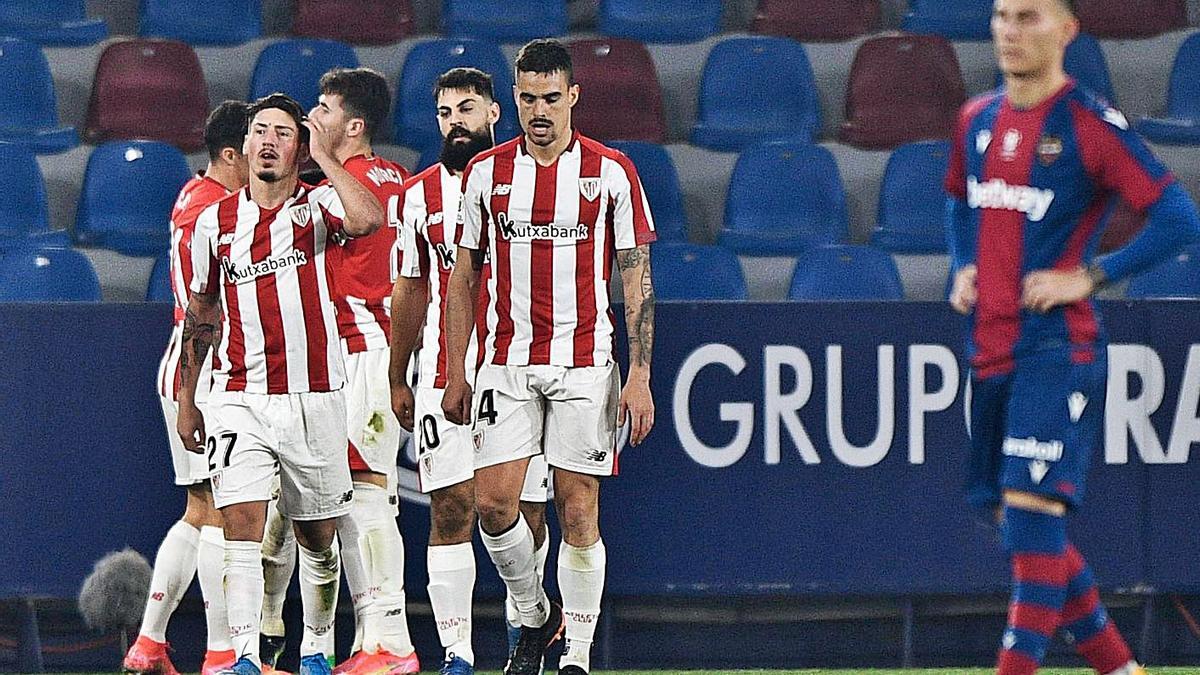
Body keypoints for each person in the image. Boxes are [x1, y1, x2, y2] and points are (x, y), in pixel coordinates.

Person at [945, 0, 1200, 673]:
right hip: (989, 349)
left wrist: (1091, 276)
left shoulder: (1088, 124)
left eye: (1029, 16)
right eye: (1002, 15)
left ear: (1066, 31)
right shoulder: (975, 119)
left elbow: (1179, 217)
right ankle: (1123, 669)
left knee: (1031, 519)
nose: (1009, 29)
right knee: (1025, 528)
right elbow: (955, 199)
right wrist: (961, 264)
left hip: (1059, 348)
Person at [441, 39, 657, 675]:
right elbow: (463, 275)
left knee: (577, 507)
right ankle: (533, 613)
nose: (540, 110)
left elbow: (636, 275)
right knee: (493, 506)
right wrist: (455, 369)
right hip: (505, 362)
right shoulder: (488, 174)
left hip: (585, 361)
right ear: (515, 99)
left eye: (551, 98)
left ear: (573, 98)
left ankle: (577, 658)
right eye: (528, 98)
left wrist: (640, 375)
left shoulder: (610, 171)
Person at [176, 93, 384, 675]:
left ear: (300, 148)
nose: (269, 141)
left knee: (317, 535)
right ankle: (243, 654)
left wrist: (329, 158)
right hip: (239, 394)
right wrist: (189, 398)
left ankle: (317, 645)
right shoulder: (212, 222)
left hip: (315, 393)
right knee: (241, 523)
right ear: (243, 145)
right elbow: (201, 314)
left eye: (284, 133)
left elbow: (369, 220)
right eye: (260, 131)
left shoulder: (317, 208)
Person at [389, 67, 551, 675]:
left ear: (493, 116)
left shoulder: (531, 182)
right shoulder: (416, 197)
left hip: (518, 370)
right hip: (440, 375)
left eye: (466, 109)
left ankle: (524, 638)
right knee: (451, 509)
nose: (454, 122)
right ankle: (457, 655)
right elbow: (408, 290)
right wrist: (396, 372)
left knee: (523, 514)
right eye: (444, 113)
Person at [123, 100, 250, 675]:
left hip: (184, 360)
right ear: (230, 154)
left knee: (199, 509)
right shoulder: (219, 211)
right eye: (254, 147)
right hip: (207, 367)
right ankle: (222, 654)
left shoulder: (190, 194)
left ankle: (149, 643)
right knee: (224, 510)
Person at [309, 66, 420, 675]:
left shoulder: (344, 188)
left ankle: (393, 643)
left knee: (368, 495)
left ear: (353, 125)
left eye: (323, 109)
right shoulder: (398, 178)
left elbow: (359, 223)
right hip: (376, 350)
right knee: (359, 494)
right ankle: (369, 639)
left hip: (364, 349)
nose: (312, 119)